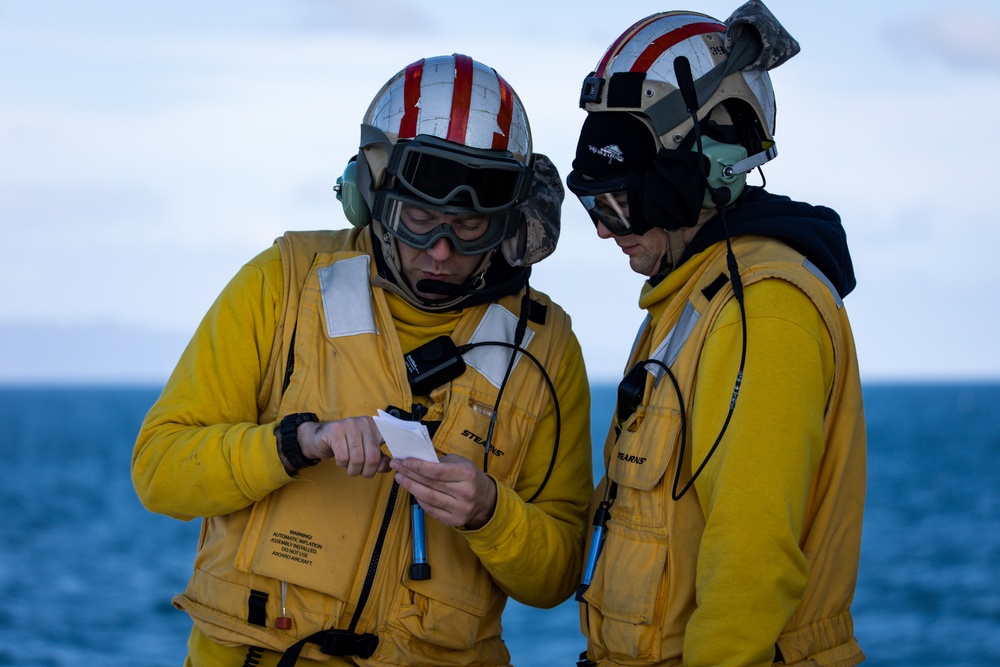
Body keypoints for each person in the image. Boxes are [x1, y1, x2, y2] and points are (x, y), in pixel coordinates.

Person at [132, 53, 593, 666]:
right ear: (372, 193)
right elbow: (160, 470)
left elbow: (557, 575)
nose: (441, 252)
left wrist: (490, 511)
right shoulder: (282, 282)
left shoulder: (546, 348)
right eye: (420, 220)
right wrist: (299, 443)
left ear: (509, 223)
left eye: (471, 227)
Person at [566, 3, 866, 666]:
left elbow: (750, 564)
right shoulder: (688, 301)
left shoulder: (764, 309)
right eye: (593, 203)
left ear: (698, 170)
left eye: (618, 202)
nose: (604, 230)